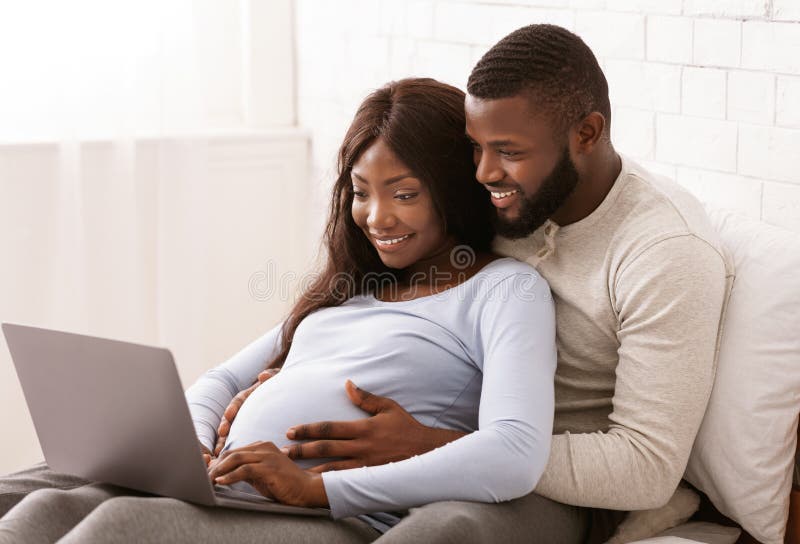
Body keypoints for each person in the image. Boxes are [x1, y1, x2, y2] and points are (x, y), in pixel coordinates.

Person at [218, 24, 733, 544]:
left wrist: (434, 443)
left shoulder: (664, 254)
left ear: (587, 134)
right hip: (439, 447)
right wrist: (290, 373)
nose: (483, 173)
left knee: (448, 529)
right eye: (475, 148)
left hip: (549, 491)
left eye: (507, 151)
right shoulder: (505, 200)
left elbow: (644, 467)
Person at [0, 78, 557, 543]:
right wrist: (193, 447)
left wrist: (315, 488)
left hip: (330, 516)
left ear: (454, 191)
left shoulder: (504, 290)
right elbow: (222, 379)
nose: (377, 216)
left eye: (404, 193)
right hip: (228, 490)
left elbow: (514, 452)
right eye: (361, 192)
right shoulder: (351, 292)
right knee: (37, 513)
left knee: (120, 528)